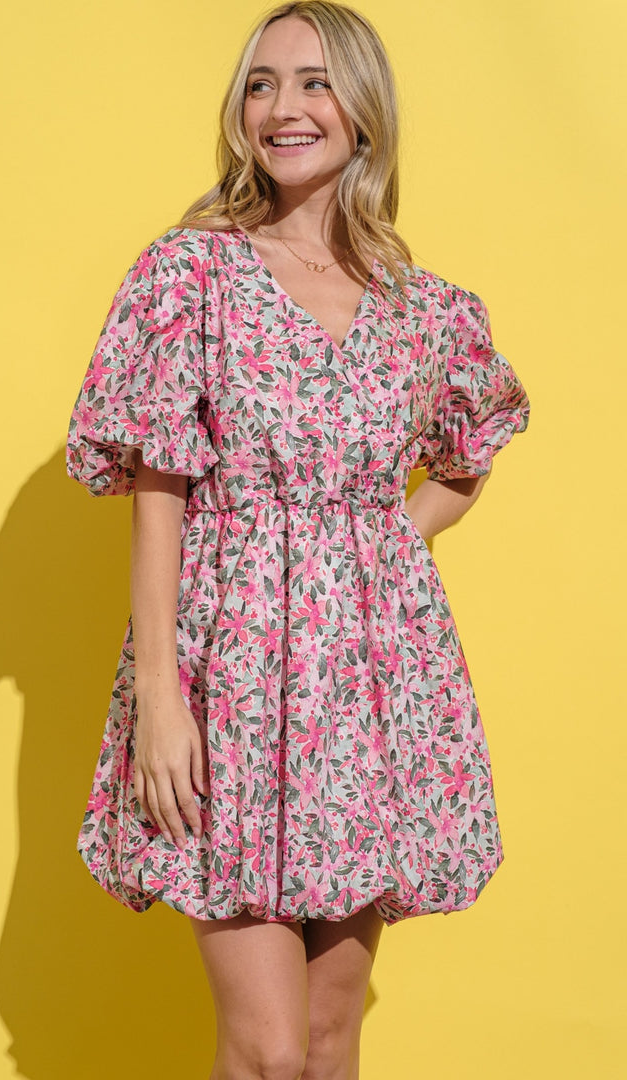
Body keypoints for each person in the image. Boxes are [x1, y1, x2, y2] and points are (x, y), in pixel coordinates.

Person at [65, 2, 531, 1077]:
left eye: (314, 82)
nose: (284, 107)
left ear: (364, 111)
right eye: (261, 84)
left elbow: (470, 452)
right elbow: (156, 494)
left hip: (367, 692)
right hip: (226, 680)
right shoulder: (190, 279)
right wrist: (161, 708)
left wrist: (376, 554)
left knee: (327, 1036)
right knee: (267, 1048)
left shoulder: (426, 311)